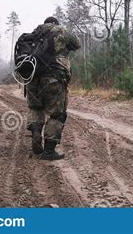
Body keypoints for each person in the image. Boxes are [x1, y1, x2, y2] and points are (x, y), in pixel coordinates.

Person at [26, 16, 81, 160]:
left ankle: (36, 131)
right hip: (53, 78)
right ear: (55, 24)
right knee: (57, 114)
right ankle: (49, 151)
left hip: (32, 79)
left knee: (35, 108)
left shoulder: (34, 33)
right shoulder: (60, 30)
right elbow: (77, 44)